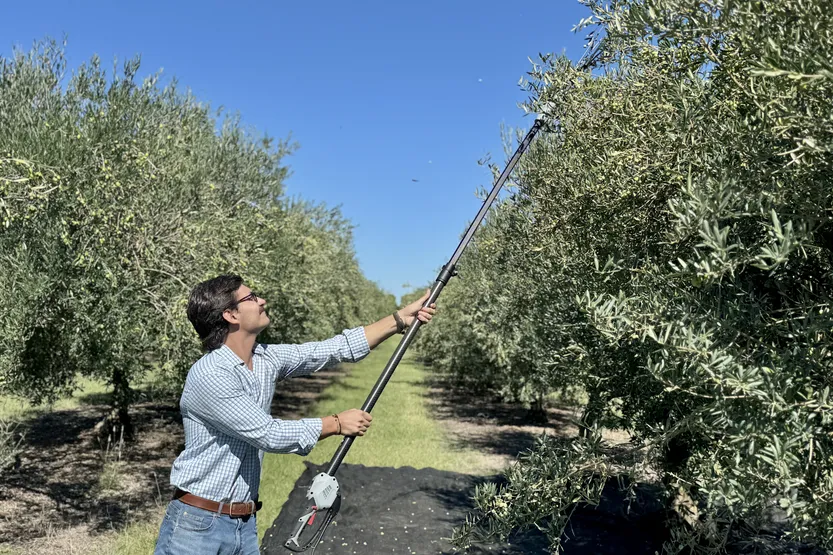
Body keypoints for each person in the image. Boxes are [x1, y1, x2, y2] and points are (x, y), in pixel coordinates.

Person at [153, 274, 436, 555]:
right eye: (251, 298)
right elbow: (269, 434)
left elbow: (334, 348)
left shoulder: (264, 359)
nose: (261, 301)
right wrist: (336, 423)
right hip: (197, 527)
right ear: (230, 314)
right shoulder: (211, 374)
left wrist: (399, 319)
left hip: (243, 524)